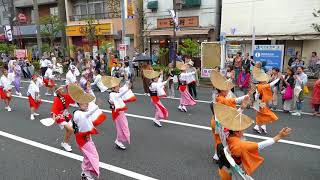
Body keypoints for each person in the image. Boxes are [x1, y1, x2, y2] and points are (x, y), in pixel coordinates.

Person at [214, 103, 292, 180]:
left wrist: (241, 108)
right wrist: (279, 136)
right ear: (236, 132)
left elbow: (230, 120)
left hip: (223, 168)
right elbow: (260, 145)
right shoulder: (240, 144)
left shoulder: (226, 131)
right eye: (242, 129)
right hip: (230, 174)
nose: (243, 131)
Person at [209, 70, 252, 161]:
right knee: (220, 139)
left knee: (219, 139)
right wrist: (245, 97)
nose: (228, 91)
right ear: (221, 90)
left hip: (218, 120)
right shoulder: (220, 98)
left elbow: (231, 112)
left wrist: (242, 107)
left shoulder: (220, 96)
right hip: (218, 123)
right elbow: (231, 102)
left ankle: (218, 154)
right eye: (226, 89)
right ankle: (218, 156)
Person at [68, 84, 106, 180]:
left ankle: (85, 172)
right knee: (93, 155)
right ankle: (87, 174)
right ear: (79, 103)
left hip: (85, 137)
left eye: (87, 103)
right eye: (85, 103)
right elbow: (87, 115)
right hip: (83, 139)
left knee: (87, 156)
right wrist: (97, 106)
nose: (87, 104)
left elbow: (88, 115)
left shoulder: (81, 112)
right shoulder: (78, 114)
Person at [103, 76, 136, 150]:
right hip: (116, 113)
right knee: (122, 127)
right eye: (117, 87)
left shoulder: (116, 92)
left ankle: (118, 140)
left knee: (123, 126)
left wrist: (127, 81)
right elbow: (119, 95)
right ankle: (118, 140)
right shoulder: (112, 94)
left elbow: (123, 88)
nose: (119, 88)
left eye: (118, 86)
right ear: (113, 88)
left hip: (120, 112)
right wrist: (127, 89)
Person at [51, 86, 75, 152]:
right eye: (61, 89)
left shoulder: (65, 96)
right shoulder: (56, 99)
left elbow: (73, 99)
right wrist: (54, 117)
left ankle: (64, 143)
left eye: (62, 89)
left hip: (66, 115)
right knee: (70, 130)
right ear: (57, 92)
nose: (62, 90)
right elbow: (54, 109)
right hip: (60, 116)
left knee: (69, 130)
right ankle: (65, 143)